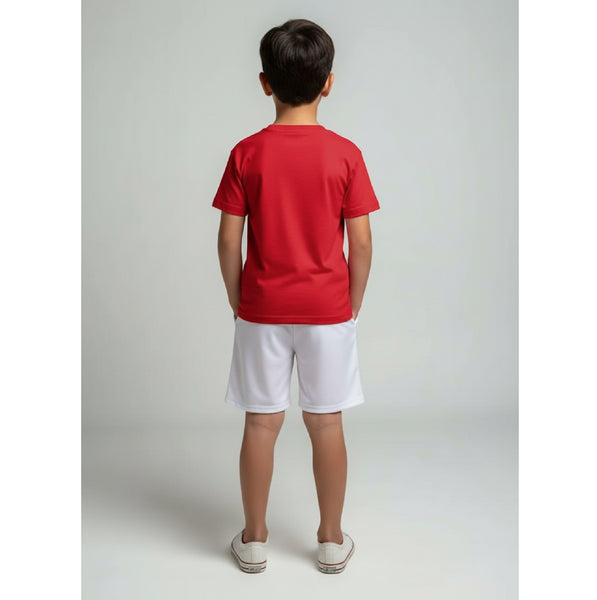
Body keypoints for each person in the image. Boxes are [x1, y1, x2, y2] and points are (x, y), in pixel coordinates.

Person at [212, 18, 380, 574]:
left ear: (265, 83)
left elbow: (229, 239)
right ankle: (330, 540)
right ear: (328, 83)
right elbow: (361, 242)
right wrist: (351, 304)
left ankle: (254, 540)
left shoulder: (246, 153)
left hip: (261, 310)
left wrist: (239, 300)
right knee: (326, 423)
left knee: (261, 424)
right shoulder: (346, 154)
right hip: (327, 311)